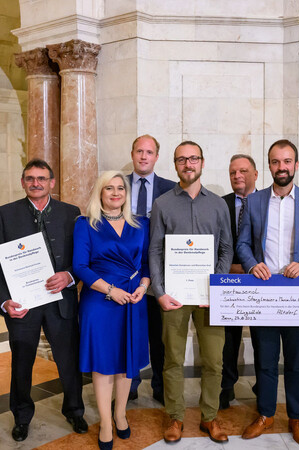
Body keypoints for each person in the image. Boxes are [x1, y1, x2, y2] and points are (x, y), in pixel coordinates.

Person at [236, 140, 299, 446]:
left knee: (295, 361)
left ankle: (296, 417)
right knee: (264, 360)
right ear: (269, 166)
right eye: (276, 162)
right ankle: (264, 414)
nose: (282, 167)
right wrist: (253, 265)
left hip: (297, 292)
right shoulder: (254, 201)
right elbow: (242, 244)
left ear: (296, 165)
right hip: (264, 291)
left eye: (287, 161)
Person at [0, 159, 88, 442]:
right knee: (22, 362)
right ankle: (21, 416)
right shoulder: (6, 214)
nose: (36, 183)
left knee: (69, 360)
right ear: (23, 182)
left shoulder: (72, 213)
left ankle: (75, 410)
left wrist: (69, 276)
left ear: (52, 183)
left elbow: (81, 258)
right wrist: (5, 302)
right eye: (30, 178)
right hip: (23, 305)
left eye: (41, 178)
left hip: (61, 301)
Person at [148, 141, 233, 444]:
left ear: (202, 162)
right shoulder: (162, 204)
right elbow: (155, 250)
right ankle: (175, 417)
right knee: (172, 359)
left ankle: (209, 417)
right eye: (181, 160)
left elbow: (226, 248)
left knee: (213, 360)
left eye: (193, 158)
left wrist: (218, 284)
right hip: (174, 296)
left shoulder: (218, 204)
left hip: (210, 297)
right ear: (175, 165)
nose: (188, 164)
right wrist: (159, 291)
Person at [73, 171, 151, 449]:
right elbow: (80, 266)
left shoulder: (141, 224)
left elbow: (145, 264)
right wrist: (110, 290)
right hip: (100, 300)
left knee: (126, 362)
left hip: (133, 300)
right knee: (104, 364)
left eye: (121, 188)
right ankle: (105, 421)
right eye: (109, 188)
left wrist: (143, 285)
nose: (116, 193)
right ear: (100, 192)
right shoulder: (86, 224)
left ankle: (120, 415)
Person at [125, 134, 175, 403]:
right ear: (132, 154)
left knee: (159, 333)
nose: (143, 156)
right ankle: (129, 384)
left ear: (157, 156)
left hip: (160, 270)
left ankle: (159, 386)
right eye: (139, 151)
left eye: (149, 152)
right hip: (126, 271)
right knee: (130, 329)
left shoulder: (170, 188)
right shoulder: (117, 185)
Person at [219, 154, 259, 410]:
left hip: (261, 279)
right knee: (227, 339)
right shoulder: (219, 204)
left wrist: (251, 267)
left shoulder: (269, 201)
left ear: (256, 174)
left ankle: (263, 387)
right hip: (228, 279)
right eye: (233, 172)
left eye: (243, 171)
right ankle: (225, 387)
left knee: (262, 337)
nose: (237, 176)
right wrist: (230, 267)